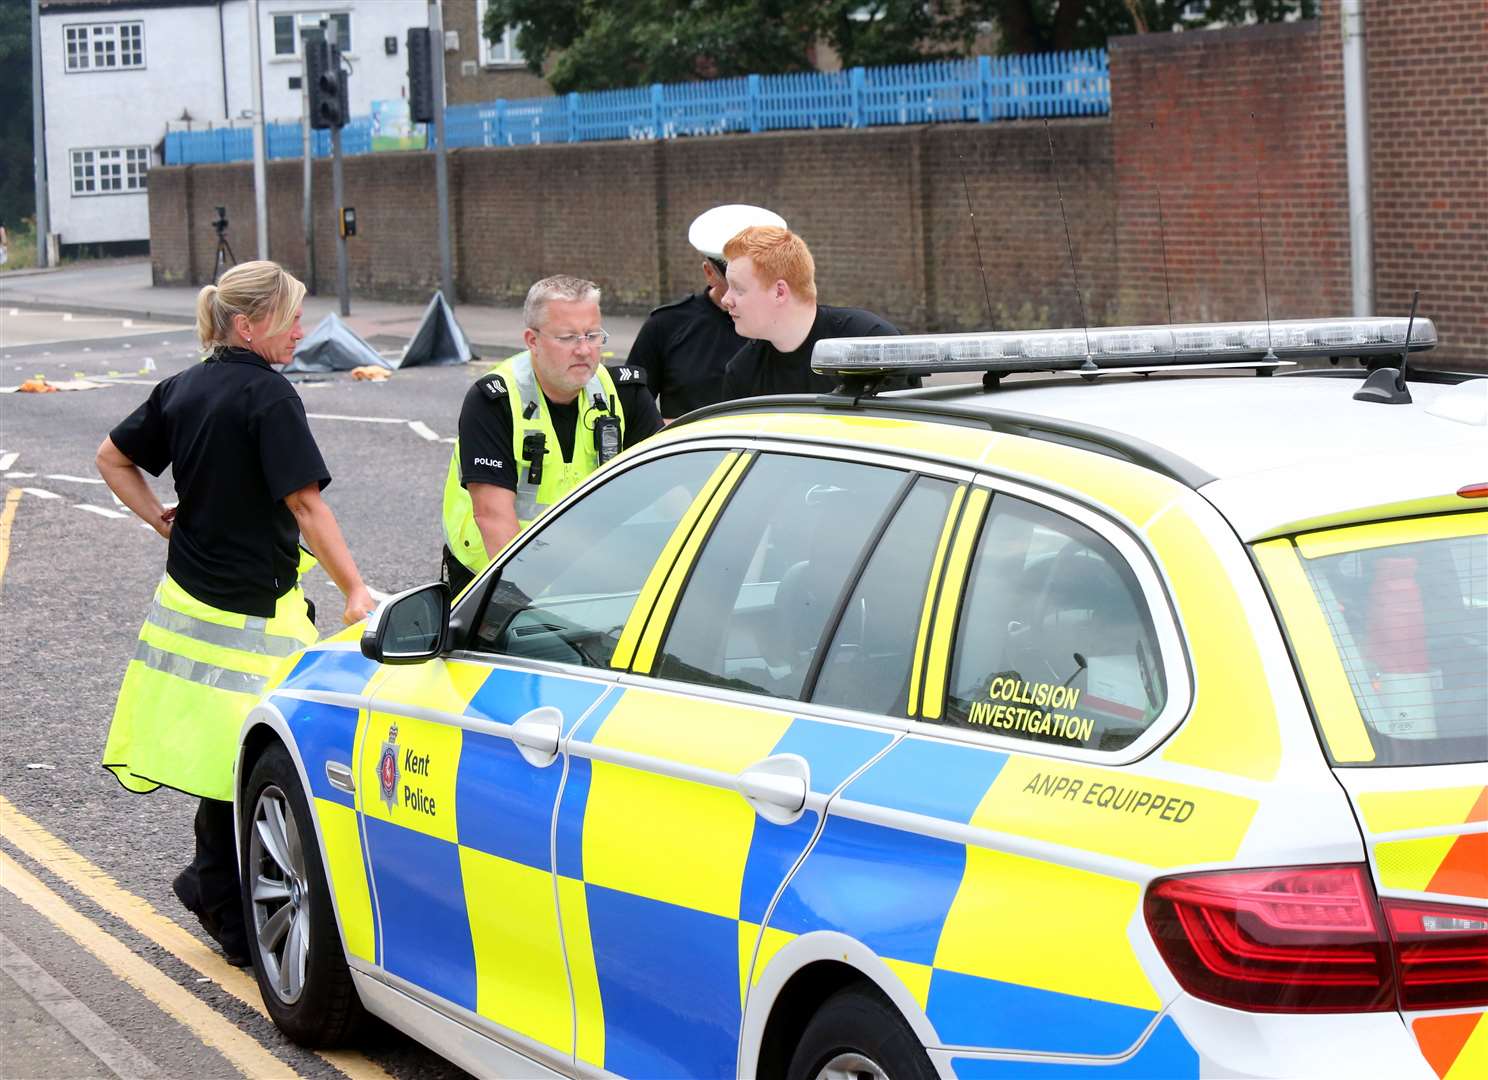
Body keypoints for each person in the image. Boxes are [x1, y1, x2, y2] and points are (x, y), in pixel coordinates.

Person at [97, 260, 374, 966]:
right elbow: (307, 504)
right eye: (291, 319)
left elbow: (111, 459)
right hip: (255, 613)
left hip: (190, 599)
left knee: (229, 761)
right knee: (261, 759)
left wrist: (158, 518)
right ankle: (222, 902)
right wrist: (355, 589)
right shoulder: (268, 397)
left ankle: (212, 887)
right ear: (248, 325)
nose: (301, 330)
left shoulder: (183, 388)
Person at [442, 275, 664, 593]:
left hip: (587, 570)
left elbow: (670, 488)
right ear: (532, 340)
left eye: (593, 335)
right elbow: (493, 517)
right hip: (494, 575)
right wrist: (530, 599)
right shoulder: (495, 400)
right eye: (567, 337)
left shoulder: (624, 394)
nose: (584, 350)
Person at [719, 225, 916, 400]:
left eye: (738, 289)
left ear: (780, 292)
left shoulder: (871, 343)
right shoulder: (743, 371)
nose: (725, 300)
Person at [626, 204, 786, 419]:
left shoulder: (789, 325)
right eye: (735, 280)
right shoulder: (666, 325)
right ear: (709, 272)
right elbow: (629, 408)